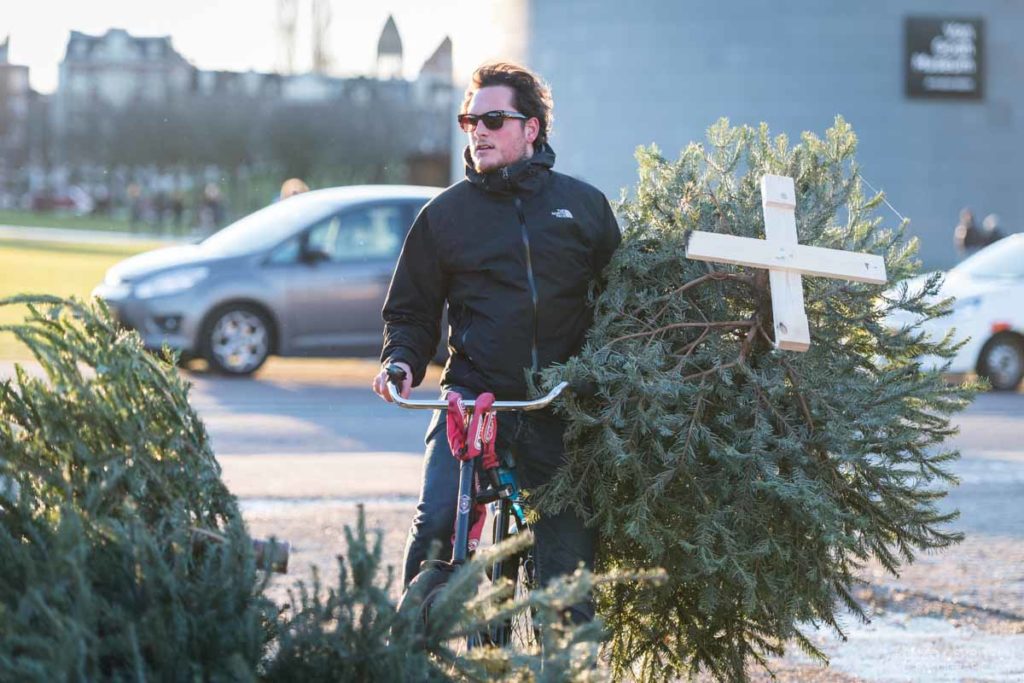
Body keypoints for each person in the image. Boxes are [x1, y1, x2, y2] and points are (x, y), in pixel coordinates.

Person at [371, 61, 621, 621]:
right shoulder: (444, 215)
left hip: (558, 407)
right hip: (472, 402)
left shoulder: (583, 207)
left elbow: (619, 305)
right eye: (469, 120)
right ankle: (409, 653)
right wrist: (401, 364)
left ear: (531, 128)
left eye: (492, 119)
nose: (477, 131)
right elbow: (410, 312)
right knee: (437, 522)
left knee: (567, 566)